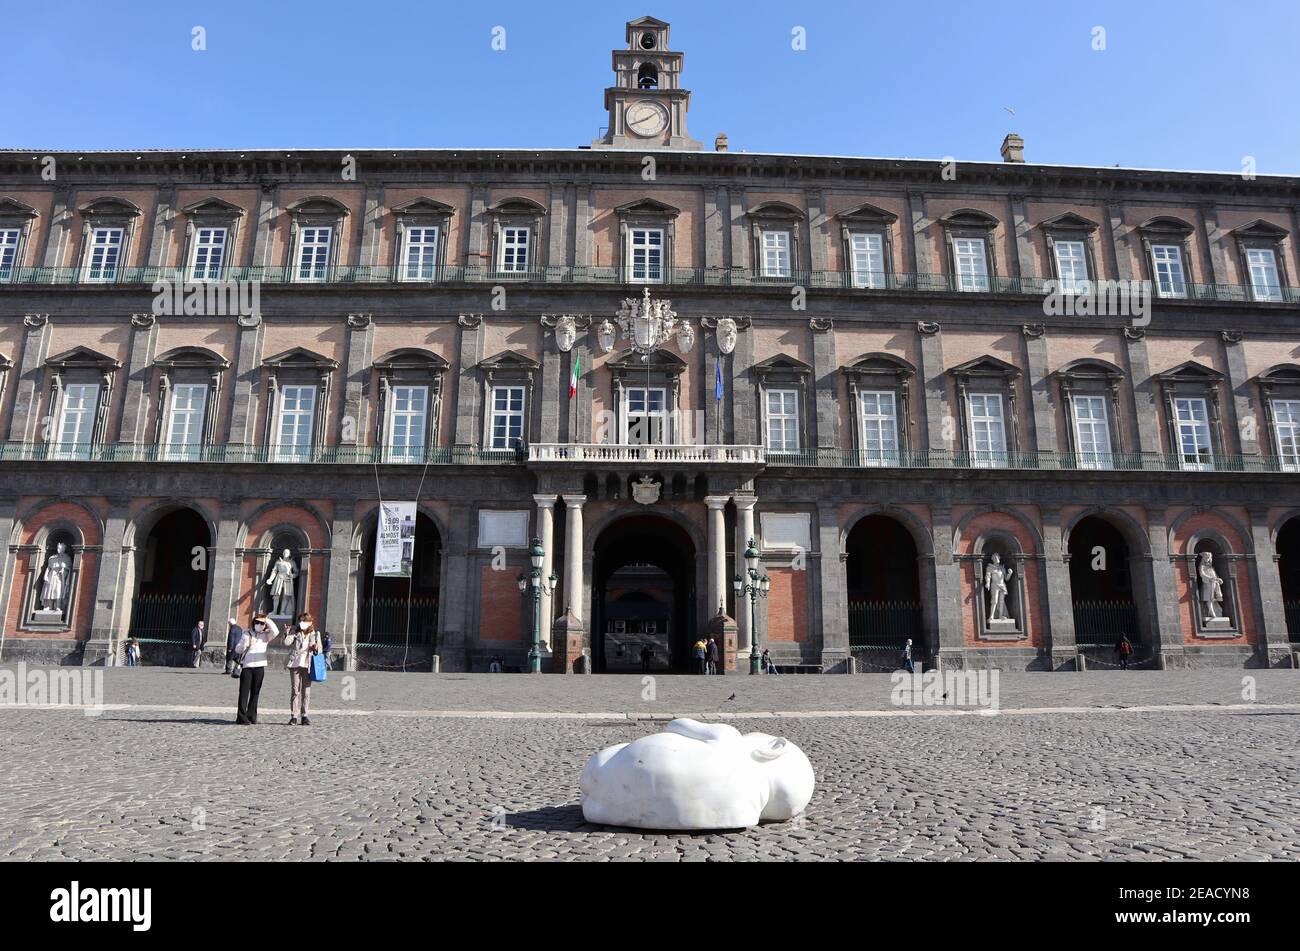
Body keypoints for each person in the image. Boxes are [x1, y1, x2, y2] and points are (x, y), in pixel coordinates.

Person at [234, 614, 279, 725]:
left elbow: (276, 631)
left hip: (259, 666)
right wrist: (244, 644)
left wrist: (267, 619)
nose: (259, 625)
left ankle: (251, 715)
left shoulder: (266, 635)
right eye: (257, 622)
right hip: (247, 666)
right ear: (253, 623)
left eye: (261, 623)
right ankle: (241, 716)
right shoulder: (246, 633)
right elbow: (238, 649)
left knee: (255, 692)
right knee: (244, 692)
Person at [285, 611, 323, 726]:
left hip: (308, 665)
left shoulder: (315, 634)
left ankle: (304, 715)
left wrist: (315, 648)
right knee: (295, 691)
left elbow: (320, 650)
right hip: (295, 665)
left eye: (304, 620)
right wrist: (287, 633)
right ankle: (294, 716)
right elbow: (287, 643)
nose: (302, 623)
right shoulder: (295, 632)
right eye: (300, 620)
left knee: (306, 692)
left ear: (309, 622)